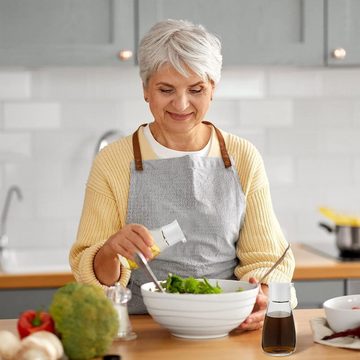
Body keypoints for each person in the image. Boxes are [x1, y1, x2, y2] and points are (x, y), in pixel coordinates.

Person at [70, 19, 296, 331]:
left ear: (213, 88)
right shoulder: (113, 162)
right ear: (146, 89)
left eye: (196, 89)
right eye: (166, 89)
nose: (181, 103)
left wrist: (263, 295)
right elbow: (93, 273)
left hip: (226, 328)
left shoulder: (243, 157)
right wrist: (109, 250)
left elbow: (267, 259)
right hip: (142, 330)